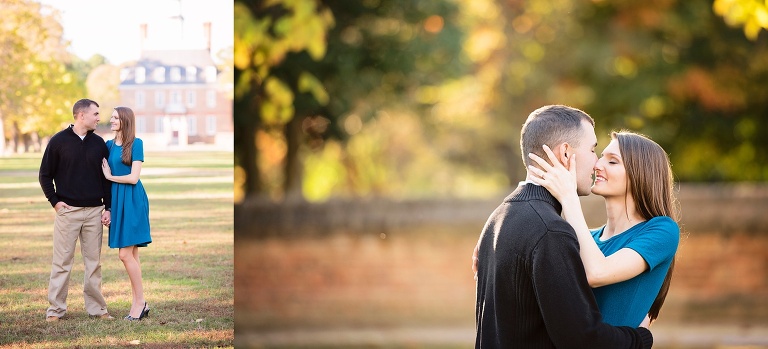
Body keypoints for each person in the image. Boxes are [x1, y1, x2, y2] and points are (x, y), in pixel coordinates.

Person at [473, 105, 653, 348]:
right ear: (566, 154)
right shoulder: (551, 231)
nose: (596, 163)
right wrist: (639, 338)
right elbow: (582, 340)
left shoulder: (498, 217)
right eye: (592, 149)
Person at [525, 131, 679, 327]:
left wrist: (569, 198)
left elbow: (597, 273)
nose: (597, 165)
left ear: (641, 172)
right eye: (600, 157)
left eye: (612, 161)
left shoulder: (662, 230)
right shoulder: (587, 238)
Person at [39, 98, 114, 322]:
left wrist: (108, 207)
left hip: (94, 213)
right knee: (62, 262)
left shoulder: (100, 143)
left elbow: (106, 180)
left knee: (93, 263)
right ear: (81, 115)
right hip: (68, 212)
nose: (99, 118)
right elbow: (45, 175)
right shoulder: (58, 141)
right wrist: (54, 201)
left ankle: (97, 309)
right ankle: (56, 311)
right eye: (95, 114)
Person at [101, 106, 152, 321]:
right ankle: (140, 303)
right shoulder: (108, 145)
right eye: (111, 117)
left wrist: (110, 176)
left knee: (124, 254)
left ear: (125, 121)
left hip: (132, 201)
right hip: (117, 201)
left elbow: (133, 178)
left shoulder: (136, 144)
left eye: (115, 117)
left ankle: (139, 303)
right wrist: (109, 208)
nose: (111, 120)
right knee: (132, 256)